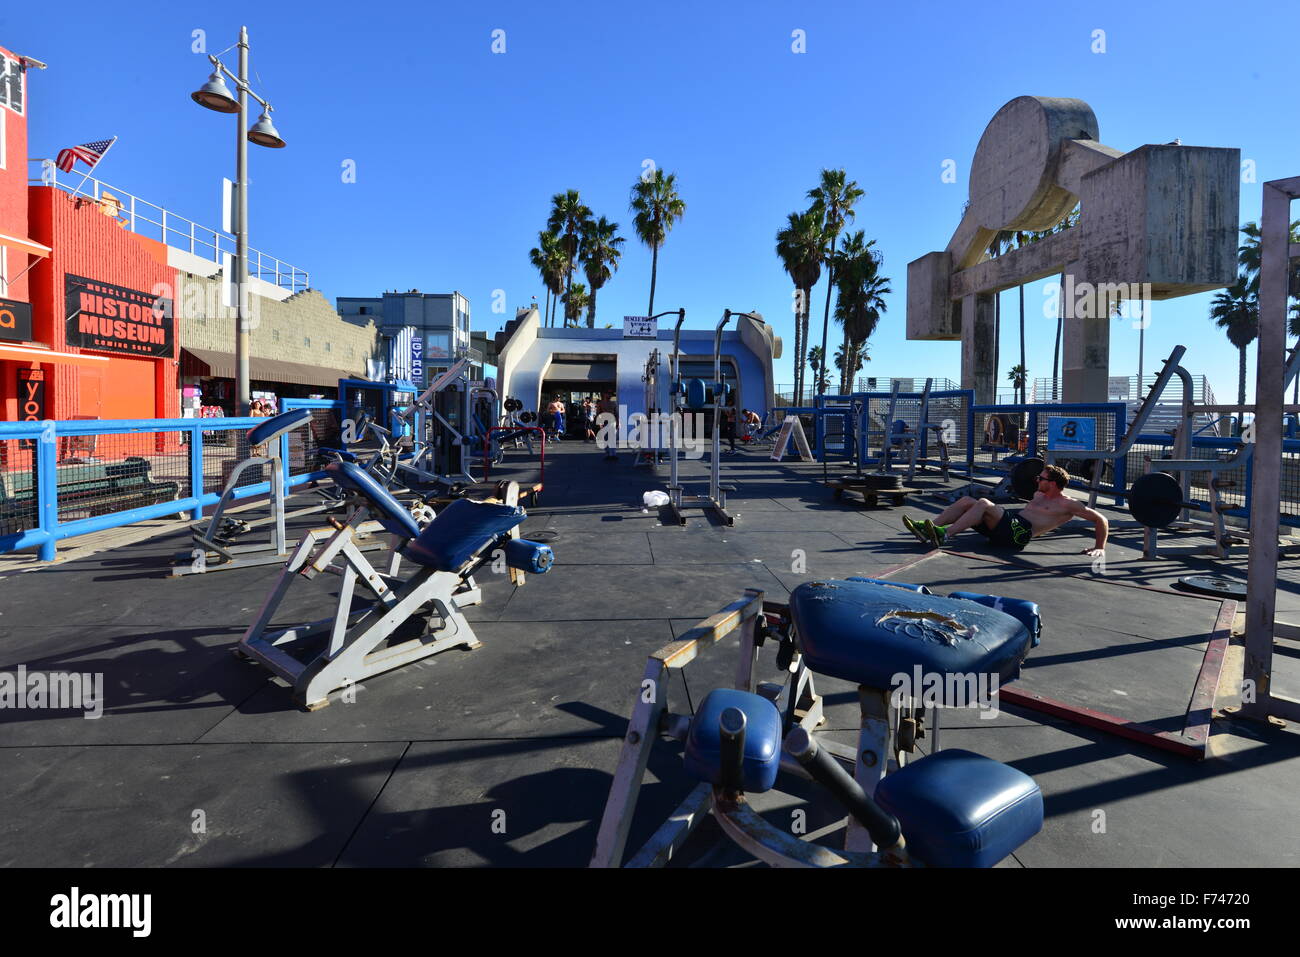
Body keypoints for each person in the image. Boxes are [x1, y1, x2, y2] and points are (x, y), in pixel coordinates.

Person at [902, 464, 1107, 556]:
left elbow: (1101, 520)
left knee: (983, 503)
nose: (1037, 480)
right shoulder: (1038, 494)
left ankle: (945, 535)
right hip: (1007, 525)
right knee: (966, 500)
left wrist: (1100, 547)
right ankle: (927, 529)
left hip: (1019, 535)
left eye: (1041, 478)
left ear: (1053, 483)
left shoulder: (1068, 504)